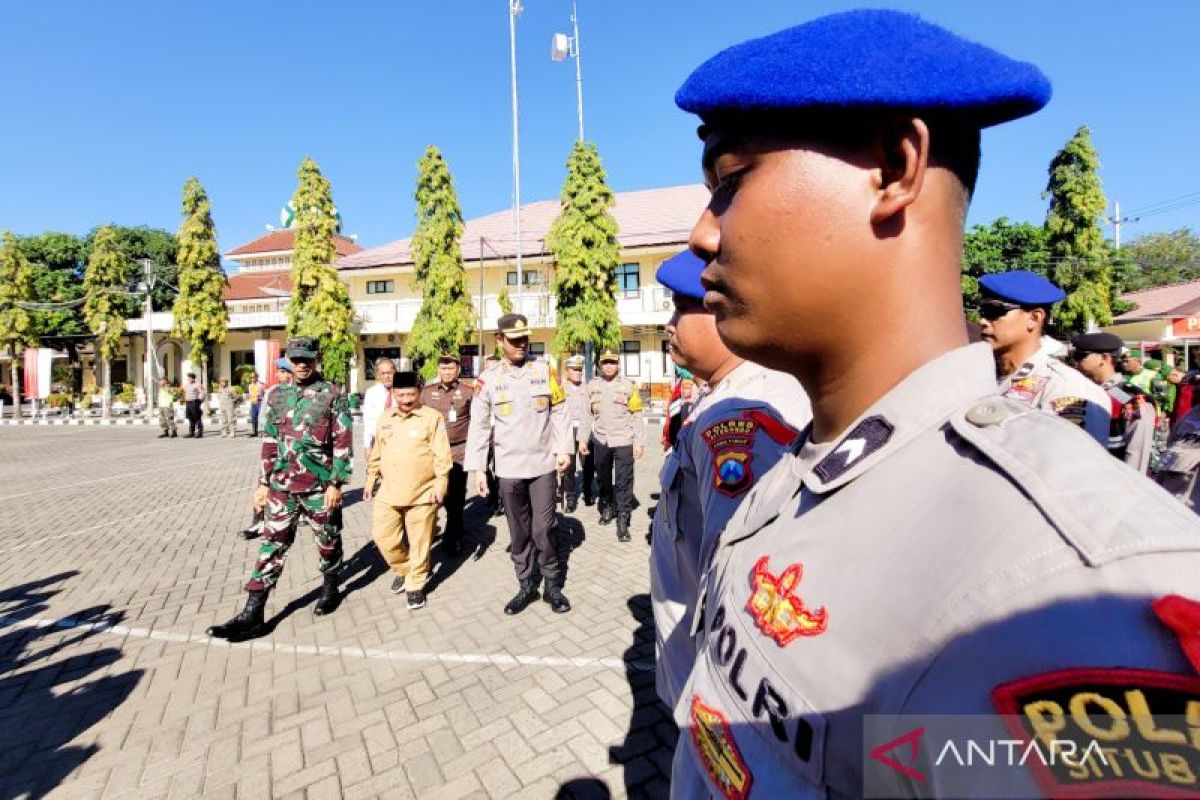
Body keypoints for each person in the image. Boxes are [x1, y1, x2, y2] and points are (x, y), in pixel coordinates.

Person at [668, 11, 1200, 799]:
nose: (703, 234)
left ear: (893, 166)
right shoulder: (796, 473)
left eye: (731, 183)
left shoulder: (1066, 589)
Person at [649, 249, 811, 710]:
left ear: (725, 310)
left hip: (715, 683)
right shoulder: (721, 394)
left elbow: (740, 580)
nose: (670, 324)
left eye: (682, 307)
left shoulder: (742, 415)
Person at [208, 338, 352, 641]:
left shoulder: (332, 394)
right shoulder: (277, 395)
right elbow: (270, 441)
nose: (302, 364)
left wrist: (337, 484)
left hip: (319, 486)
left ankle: (330, 588)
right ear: (289, 360)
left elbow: (342, 442)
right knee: (271, 546)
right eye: (296, 359)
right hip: (281, 487)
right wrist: (263, 482)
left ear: (317, 359)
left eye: (307, 358)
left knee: (328, 541)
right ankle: (253, 613)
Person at [464, 314, 573, 614]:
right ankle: (526, 584)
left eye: (524, 339)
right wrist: (477, 468)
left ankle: (552, 584)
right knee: (519, 531)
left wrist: (564, 448)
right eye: (513, 341)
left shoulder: (544, 371)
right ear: (499, 341)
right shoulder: (488, 381)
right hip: (509, 469)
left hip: (542, 466)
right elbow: (480, 425)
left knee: (544, 528)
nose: (521, 345)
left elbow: (560, 410)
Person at [976, 270, 1110, 447]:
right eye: (982, 311)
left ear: (1034, 318)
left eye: (993, 311)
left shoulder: (1068, 389)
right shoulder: (981, 379)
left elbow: (1075, 468)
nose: (983, 321)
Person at [365, 371, 451, 610]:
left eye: (411, 394)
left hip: (423, 493)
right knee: (383, 537)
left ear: (419, 393)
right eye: (401, 394)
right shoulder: (385, 418)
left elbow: (442, 455)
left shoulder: (431, 418)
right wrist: (371, 478)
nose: (405, 399)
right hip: (389, 492)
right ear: (393, 393)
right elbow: (377, 452)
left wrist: (440, 485)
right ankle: (405, 569)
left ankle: (415, 584)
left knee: (420, 543)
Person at [579, 351, 645, 541]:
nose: (608, 366)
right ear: (600, 365)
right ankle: (607, 505)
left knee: (624, 481)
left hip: (624, 440)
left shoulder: (629, 386)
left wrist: (639, 442)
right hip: (601, 439)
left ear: (618, 365)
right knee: (603, 478)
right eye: (605, 363)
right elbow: (586, 415)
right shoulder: (592, 386)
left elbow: (637, 415)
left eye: (612, 363)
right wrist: (583, 439)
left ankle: (623, 518)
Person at [1070, 332, 1158, 473]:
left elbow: (1136, 455)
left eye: (1081, 356)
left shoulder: (1126, 397)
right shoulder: (1080, 390)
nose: (1075, 361)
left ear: (1104, 358)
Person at [420, 354, 472, 555]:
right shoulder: (427, 393)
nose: (447, 372)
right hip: (431, 453)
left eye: (451, 368)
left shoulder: (468, 392)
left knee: (456, 499)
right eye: (443, 368)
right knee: (431, 496)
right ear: (438, 370)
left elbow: (476, 423)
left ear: (458, 370)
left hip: (458, 452)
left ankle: (452, 538)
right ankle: (429, 531)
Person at [239, 359, 295, 539]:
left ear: (290, 374)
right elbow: (263, 419)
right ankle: (259, 522)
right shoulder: (272, 392)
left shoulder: (301, 393)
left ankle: (294, 516)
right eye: (279, 371)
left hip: (295, 450)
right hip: (275, 447)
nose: (281, 375)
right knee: (264, 482)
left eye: (284, 372)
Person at [561, 354, 592, 512]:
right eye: (575, 369)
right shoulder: (561, 389)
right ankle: (571, 498)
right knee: (569, 467)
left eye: (580, 369)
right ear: (567, 371)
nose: (579, 372)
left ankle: (587, 493)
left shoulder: (588, 388)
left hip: (585, 431)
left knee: (587, 464)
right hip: (567, 431)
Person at [482, 354, 505, 518]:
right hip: (485, 431)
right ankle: (493, 492)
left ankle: (499, 500)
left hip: (500, 430)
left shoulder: (505, 384)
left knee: (500, 467)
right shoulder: (481, 385)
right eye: (488, 366)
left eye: (494, 367)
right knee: (483, 465)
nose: (491, 370)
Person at [361, 356, 397, 459]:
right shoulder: (371, 393)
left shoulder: (403, 392)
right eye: (383, 373)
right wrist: (367, 446)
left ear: (395, 372)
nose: (387, 376)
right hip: (377, 441)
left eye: (389, 373)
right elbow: (368, 421)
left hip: (398, 441)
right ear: (378, 375)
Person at [182, 372, 205, 438]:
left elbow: (202, 392)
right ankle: (191, 432)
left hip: (194, 402)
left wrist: (199, 400)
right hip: (188, 402)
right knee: (190, 418)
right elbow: (185, 392)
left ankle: (200, 432)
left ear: (193, 378)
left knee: (197, 417)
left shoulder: (197, 384)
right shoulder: (187, 385)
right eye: (188, 378)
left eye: (190, 378)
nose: (188, 379)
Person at [246, 372, 265, 437]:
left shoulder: (261, 385)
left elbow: (264, 393)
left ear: (257, 377)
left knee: (261, 418)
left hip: (259, 402)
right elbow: (250, 394)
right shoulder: (250, 385)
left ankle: (262, 432)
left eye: (253, 377)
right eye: (251, 377)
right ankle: (254, 432)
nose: (252, 378)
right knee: (254, 418)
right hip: (253, 403)